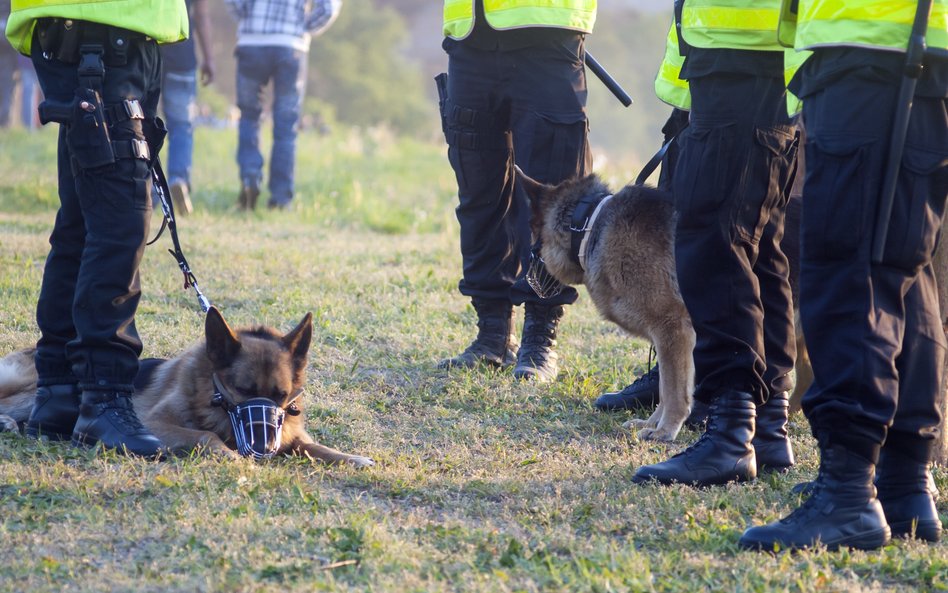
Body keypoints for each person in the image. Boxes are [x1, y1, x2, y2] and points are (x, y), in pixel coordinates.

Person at [740, 0, 947, 551]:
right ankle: (906, 487)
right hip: (922, 57)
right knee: (906, 271)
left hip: (869, 57)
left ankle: (848, 492)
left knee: (849, 268)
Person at [5, 0, 189, 456]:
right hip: (103, 31)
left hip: (113, 32)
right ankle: (102, 400)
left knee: (84, 223)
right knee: (118, 222)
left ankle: (60, 396)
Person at [631, 0, 799, 487]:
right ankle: (768, 425)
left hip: (743, 54)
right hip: (760, 57)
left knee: (715, 244)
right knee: (759, 248)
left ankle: (731, 433)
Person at [437, 0, 596, 382]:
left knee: (554, 201)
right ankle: (492, 334)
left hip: (548, 34)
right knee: (479, 194)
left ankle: (540, 339)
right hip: (470, 37)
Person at [223, 0, 342, 210]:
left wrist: (246, 16)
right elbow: (328, 8)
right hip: (290, 45)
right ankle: (280, 199)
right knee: (286, 127)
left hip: (252, 41)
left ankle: (250, 178)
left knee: (249, 117)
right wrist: (303, 27)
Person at [159, 0, 215, 215]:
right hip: (182, 55)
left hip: (147, 54)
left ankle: (148, 188)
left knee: (141, 125)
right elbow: (201, 15)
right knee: (182, 126)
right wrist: (209, 59)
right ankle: (178, 177)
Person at [0, 0, 16, 127]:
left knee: (6, 87)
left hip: (7, 57)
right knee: (6, 88)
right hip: (7, 56)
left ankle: (4, 120)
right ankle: (4, 120)